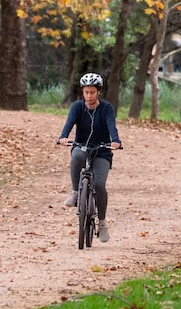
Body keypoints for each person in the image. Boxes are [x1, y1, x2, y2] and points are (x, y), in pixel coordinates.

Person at [57, 72, 122, 243]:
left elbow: (111, 126)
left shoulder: (106, 108)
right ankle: (75, 192)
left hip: (102, 150)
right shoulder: (77, 107)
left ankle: (101, 223)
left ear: (98, 92)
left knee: (100, 185)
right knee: (76, 155)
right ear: (82, 92)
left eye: (92, 92)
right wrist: (63, 136)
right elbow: (69, 123)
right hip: (82, 146)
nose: (89, 96)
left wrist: (115, 140)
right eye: (86, 92)